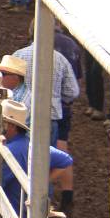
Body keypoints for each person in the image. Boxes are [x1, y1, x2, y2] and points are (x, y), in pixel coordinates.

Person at [11, 21, 80, 150]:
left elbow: (7, 83)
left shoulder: (18, 55)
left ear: (31, 32)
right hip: (49, 115)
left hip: (19, 115)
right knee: (46, 161)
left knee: (19, 157)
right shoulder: (60, 59)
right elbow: (72, 91)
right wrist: (57, 97)